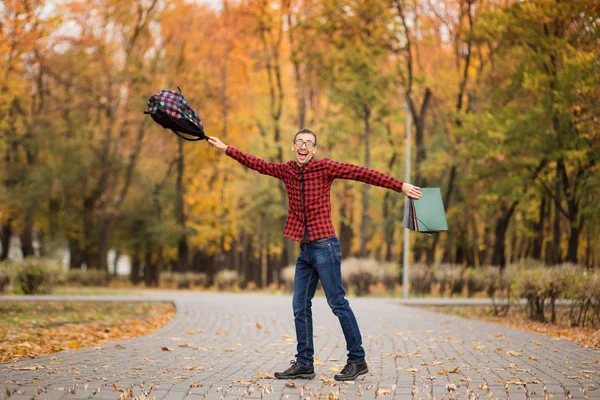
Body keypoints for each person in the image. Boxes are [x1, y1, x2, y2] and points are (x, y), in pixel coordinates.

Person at [208, 129, 422, 381]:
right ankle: (304, 363)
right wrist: (226, 148)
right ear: (293, 146)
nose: (304, 146)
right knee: (299, 305)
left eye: (309, 143)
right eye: (300, 142)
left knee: (338, 304)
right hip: (306, 250)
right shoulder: (287, 170)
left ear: (314, 149)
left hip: (326, 247)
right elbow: (259, 164)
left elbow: (362, 173)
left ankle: (357, 359)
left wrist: (400, 185)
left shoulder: (325, 168)